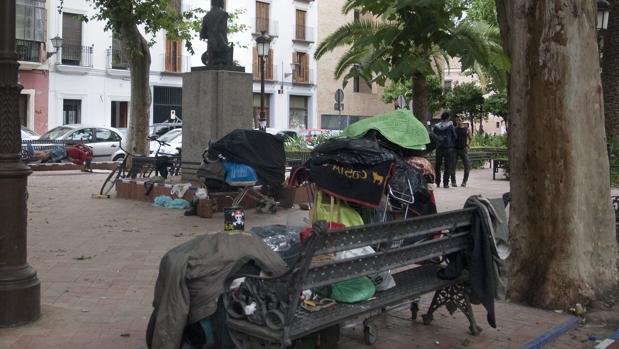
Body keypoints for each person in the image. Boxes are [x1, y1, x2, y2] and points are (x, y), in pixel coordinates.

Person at [432, 111, 457, 188]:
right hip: (448, 149)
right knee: (447, 166)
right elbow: (455, 137)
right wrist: (451, 144)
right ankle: (445, 183)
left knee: (437, 166)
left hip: (439, 148)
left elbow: (433, 136)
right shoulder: (450, 126)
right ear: (448, 117)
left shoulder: (436, 126)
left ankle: (437, 182)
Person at [451, 117, 472, 187]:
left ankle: (464, 182)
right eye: (457, 120)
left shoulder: (467, 129)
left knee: (467, 165)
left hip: (463, 149)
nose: (458, 121)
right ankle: (453, 182)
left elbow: (470, 138)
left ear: (463, 121)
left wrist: (468, 146)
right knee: (453, 166)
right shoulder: (454, 129)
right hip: (455, 149)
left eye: (459, 120)